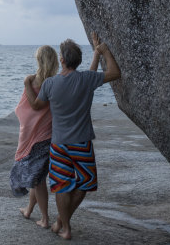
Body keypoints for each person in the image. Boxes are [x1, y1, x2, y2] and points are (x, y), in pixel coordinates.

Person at [24, 32, 120, 240]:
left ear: (62, 60)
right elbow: (114, 73)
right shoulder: (86, 79)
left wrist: (26, 85)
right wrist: (103, 52)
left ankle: (64, 226)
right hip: (82, 143)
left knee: (61, 185)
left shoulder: (50, 84)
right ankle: (61, 221)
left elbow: (35, 106)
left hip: (59, 145)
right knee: (84, 183)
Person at [9, 45, 59, 228]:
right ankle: (29, 210)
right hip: (48, 135)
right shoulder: (56, 81)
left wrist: (26, 84)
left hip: (37, 138)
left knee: (37, 180)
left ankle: (45, 219)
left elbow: (34, 105)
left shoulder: (35, 81)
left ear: (39, 60)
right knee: (37, 176)